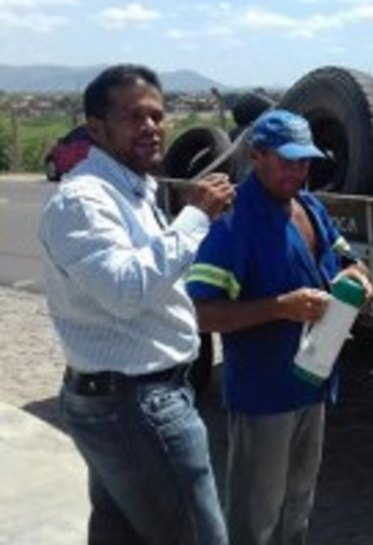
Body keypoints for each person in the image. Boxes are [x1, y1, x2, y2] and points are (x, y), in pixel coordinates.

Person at [39, 64, 235, 545]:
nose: (150, 127)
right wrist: (195, 217)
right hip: (135, 405)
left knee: (120, 535)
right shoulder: (84, 201)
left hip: (133, 399)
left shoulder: (132, 190)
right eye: (133, 117)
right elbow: (124, 291)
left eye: (157, 115)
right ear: (96, 128)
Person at [186, 109, 373, 545]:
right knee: (257, 517)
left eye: (304, 161)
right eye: (287, 161)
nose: (298, 171)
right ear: (256, 156)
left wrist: (359, 279)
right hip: (264, 396)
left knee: (298, 506)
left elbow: (353, 262)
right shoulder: (232, 224)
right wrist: (278, 308)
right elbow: (199, 313)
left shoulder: (310, 207)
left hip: (315, 382)